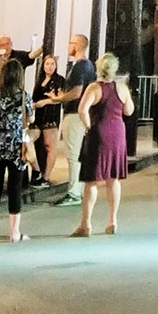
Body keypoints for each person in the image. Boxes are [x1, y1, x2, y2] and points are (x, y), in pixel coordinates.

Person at [0, 38, 35, 244]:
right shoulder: (23, 96)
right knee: (14, 188)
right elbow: (31, 118)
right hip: (16, 146)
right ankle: (14, 233)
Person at [71, 53, 135, 236]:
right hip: (118, 134)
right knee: (112, 178)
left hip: (99, 134)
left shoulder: (94, 88)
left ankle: (86, 224)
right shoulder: (121, 88)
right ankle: (112, 221)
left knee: (91, 179)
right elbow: (129, 111)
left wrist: (88, 125)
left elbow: (82, 110)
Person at [55, 34, 95, 205]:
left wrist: (59, 98)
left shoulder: (80, 67)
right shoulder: (87, 66)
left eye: (71, 42)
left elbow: (76, 92)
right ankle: (76, 190)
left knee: (72, 154)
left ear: (78, 45)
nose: (68, 45)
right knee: (75, 153)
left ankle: (74, 193)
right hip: (78, 113)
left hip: (74, 113)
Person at [32, 53, 66, 179]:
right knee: (37, 144)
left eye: (52, 64)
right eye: (47, 64)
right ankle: (38, 171)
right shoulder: (40, 80)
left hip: (51, 115)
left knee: (50, 145)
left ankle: (46, 176)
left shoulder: (59, 80)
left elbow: (60, 98)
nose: (50, 67)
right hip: (39, 116)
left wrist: (45, 102)